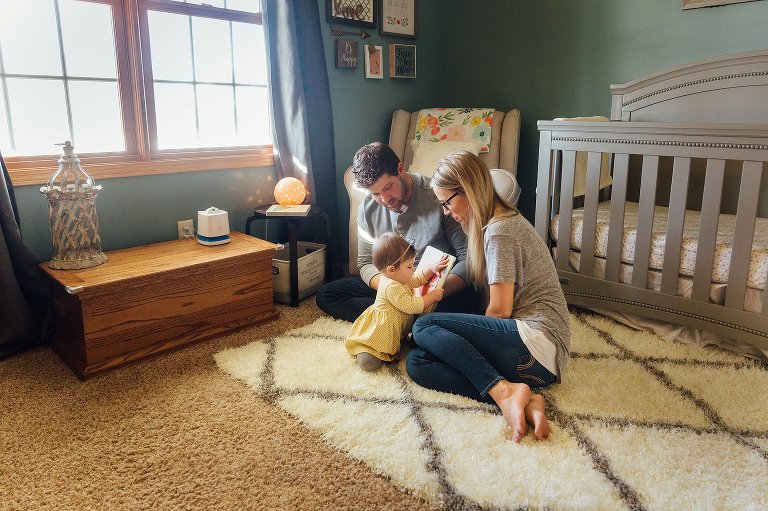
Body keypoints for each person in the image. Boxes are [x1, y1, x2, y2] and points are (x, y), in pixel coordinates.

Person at [407, 151, 570, 443]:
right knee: (418, 361)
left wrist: (465, 341)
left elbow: (500, 310)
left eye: (447, 202)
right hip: (535, 358)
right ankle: (522, 396)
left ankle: (505, 392)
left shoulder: (500, 231)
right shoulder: (494, 224)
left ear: (468, 189)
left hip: (536, 342)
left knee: (423, 327)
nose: (445, 211)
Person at [316, 142, 473, 322]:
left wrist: (432, 293)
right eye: (375, 194)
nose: (384, 199)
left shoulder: (438, 197)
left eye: (388, 187)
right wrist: (393, 292)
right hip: (391, 284)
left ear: (400, 169)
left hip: (436, 286)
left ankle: (399, 319)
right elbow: (365, 262)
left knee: (462, 304)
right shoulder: (368, 209)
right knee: (327, 294)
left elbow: (468, 258)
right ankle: (403, 318)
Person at [345, 232, 448, 372]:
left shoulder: (399, 278)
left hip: (395, 325)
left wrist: (430, 269)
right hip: (381, 331)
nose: (413, 269)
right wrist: (433, 296)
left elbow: (416, 280)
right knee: (369, 363)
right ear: (391, 269)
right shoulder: (390, 285)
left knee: (400, 343)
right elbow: (411, 306)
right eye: (410, 266)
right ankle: (365, 351)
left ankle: (393, 346)